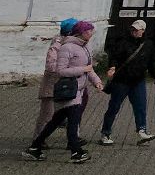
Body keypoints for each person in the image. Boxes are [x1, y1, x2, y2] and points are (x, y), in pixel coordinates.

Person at [26, 19, 104, 162]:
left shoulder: (84, 48)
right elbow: (60, 71)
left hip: (78, 90)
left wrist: (97, 81)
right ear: (81, 33)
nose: (91, 34)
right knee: (73, 121)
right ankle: (76, 152)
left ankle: (35, 147)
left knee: (55, 121)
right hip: (68, 90)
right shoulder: (66, 47)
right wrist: (82, 70)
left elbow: (89, 68)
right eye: (89, 31)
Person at [99, 18, 155, 145]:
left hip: (138, 80)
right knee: (114, 107)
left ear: (143, 31)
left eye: (137, 30)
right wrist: (112, 67)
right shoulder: (123, 42)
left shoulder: (148, 45)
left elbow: (151, 63)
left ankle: (142, 130)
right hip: (122, 80)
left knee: (140, 106)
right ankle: (105, 133)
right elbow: (114, 56)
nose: (134, 32)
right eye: (133, 29)